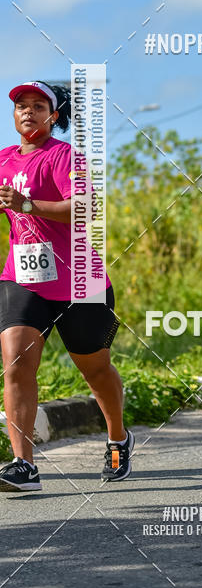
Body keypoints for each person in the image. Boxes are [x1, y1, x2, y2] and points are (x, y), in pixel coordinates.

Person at [0, 81, 134, 492]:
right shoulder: (3, 160)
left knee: (95, 369)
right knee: (17, 363)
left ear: (53, 116)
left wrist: (26, 204)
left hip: (80, 280)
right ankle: (24, 466)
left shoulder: (65, 157)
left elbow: (85, 208)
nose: (28, 112)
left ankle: (117, 437)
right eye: (21, 105)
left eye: (38, 106)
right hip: (23, 278)